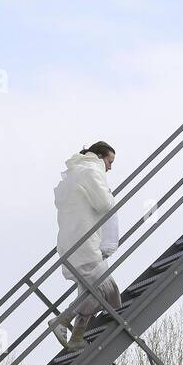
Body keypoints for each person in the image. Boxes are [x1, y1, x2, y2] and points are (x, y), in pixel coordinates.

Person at [50, 141, 122, 350]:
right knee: (105, 289)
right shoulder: (92, 171)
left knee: (92, 290)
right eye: (110, 161)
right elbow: (105, 204)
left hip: (72, 241)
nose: (110, 167)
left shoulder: (77, 171)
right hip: (84, 242)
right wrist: (110, 194)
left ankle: (76, 337)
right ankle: (62, 321)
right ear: (100, 157)